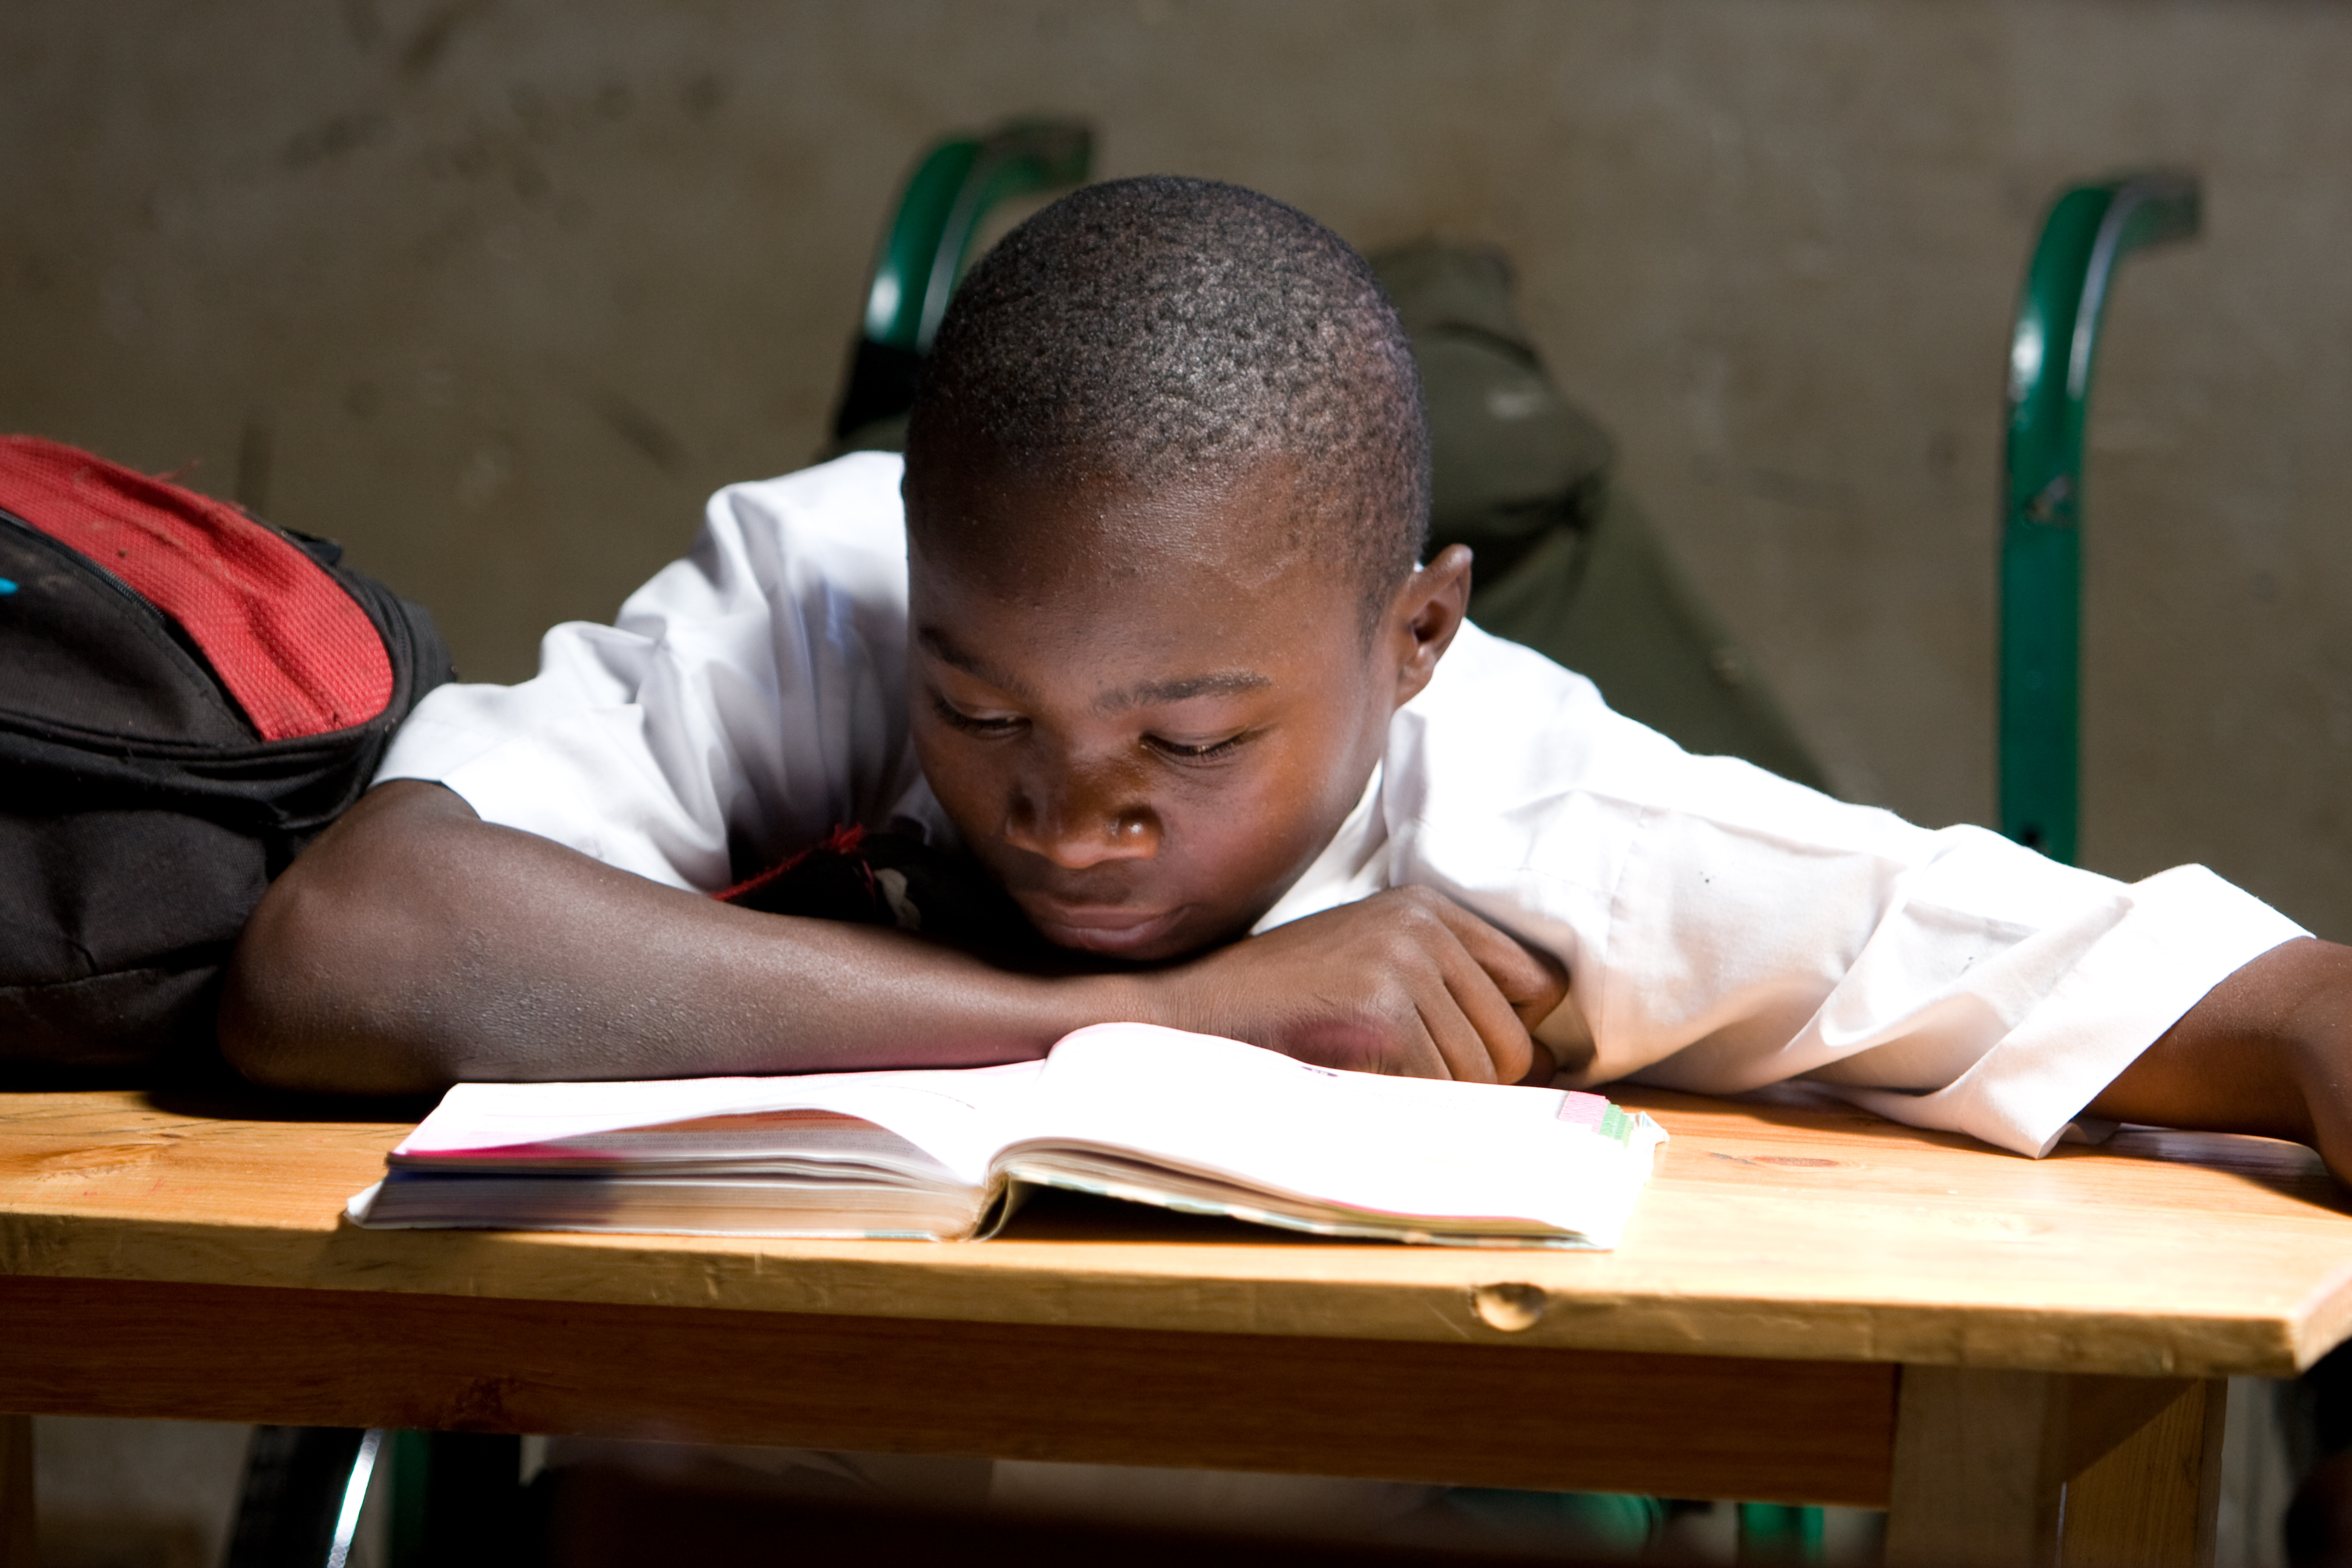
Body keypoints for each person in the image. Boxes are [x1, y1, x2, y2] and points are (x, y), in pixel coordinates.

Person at [220, 175, 2352, 1186]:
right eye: (983, 721)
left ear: (1416, 642)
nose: (1071, 814)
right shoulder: (831, 591)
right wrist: (1128, 1020)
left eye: (1193, 742)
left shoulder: (1532, 814)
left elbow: (2193, 996)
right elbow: (351, 945)